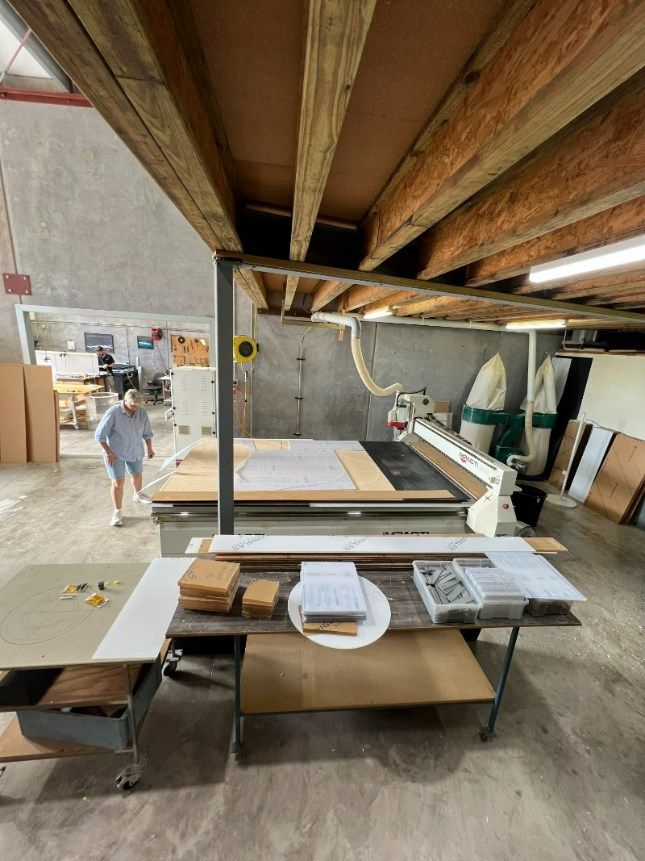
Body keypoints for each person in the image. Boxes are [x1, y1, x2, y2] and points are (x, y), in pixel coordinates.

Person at [95, 388, 155, 526]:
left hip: (134, 450)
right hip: (115, 454)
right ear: (125, 401)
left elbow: (147, 433)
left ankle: (138, 494)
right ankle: (117, 512)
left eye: (137, 406)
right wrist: (109, 452)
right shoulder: (113, 413)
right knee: (118, 483)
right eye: (132, 406)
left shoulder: (141, 412)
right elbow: (99, 435)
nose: (135, 409)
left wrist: (149, 448)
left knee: (137, 475)